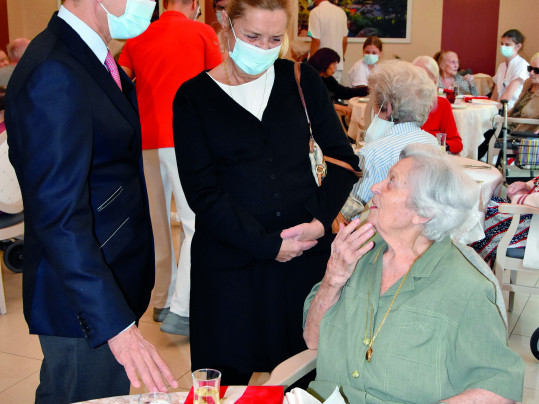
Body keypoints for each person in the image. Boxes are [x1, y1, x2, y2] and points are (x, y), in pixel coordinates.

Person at [172, 0, 359, 385]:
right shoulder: (193, 97)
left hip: (303, 260)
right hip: (229, 264)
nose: (262, 48)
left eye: (275, 38)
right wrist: (266, 245)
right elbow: (202, 192)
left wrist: (320, 223)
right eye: (252, 36)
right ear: (225, 23)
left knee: (303, 374)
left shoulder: (302, 80)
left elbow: (342, 160)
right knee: (225, 379)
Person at [4, 1, 178, 402]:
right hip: (81, 298)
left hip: (106, 275)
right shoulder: (54, 70)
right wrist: (114, 325)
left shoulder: (90, 57)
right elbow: (58, 216)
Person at [303, 144, 525, 403]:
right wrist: (333, 279)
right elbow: (312, 338)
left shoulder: (465, 287)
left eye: (392, 182)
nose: (375, 187)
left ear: (424, 212)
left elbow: (499, 386)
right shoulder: (355, 254)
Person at [118, 0, 222, 335]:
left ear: (162, 4)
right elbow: (222, 83)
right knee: (194, 223)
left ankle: (162, 300)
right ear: (194, 4)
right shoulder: (202, 32)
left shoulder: (137, 36)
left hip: (145, 139)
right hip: (186, 138)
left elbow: (118, 82)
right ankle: (183, 309)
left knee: (156, 223)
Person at [351, 60, 439, 205]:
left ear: (388, 107)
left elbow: (353, 211)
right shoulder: (431, 142)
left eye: (374, 103)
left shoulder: (372, 154)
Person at [477, 52, 539, 160]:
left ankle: (475, 165)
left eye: (537, 70)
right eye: (530, 68)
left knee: (484, 137)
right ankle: (476, 164)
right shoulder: (528, 83)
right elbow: (516, 107)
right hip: (509, 124)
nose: (531, 73)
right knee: (481, 131)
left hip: (522, 131)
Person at [471, 176, 539, 268]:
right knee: (481, 203)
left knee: (478, 211)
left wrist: (518, 198)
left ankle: (474, 267)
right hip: (529, 214)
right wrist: (527, 186)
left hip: (533, 228)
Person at [413, 55, 463, 154]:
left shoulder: (442, 104)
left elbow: (456, 143)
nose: (417, 81)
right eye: (414, 76)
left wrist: (440, 146)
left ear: (434, 80)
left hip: (433, 157)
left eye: (423, 77)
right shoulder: (401, 102)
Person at [307, 47, 367, 120]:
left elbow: (344, 92)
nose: (335, 67)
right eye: (333, 64)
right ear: (325, 62)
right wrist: (338, 107)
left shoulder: (328, 79)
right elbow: (315, 103)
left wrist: (367, 90)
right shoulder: (310, 79)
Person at [307, 0, 348, 82]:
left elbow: (316, 41)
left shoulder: (315, 12)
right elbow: (344, 41)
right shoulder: (341, 12)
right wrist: (338, 60)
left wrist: (311, 66)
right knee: (335, 92)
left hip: (320, 67)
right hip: (337, 66)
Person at [491, 29, 529, 109]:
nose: (503, 47)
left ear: (518, 46)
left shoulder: (521, 65)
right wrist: (489, 107)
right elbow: (495, 94)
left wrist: (493, 110)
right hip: (498, 108)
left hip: (511, 110)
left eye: (507, 45)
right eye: (502, 44)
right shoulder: (502, 66)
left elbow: (508, 96)